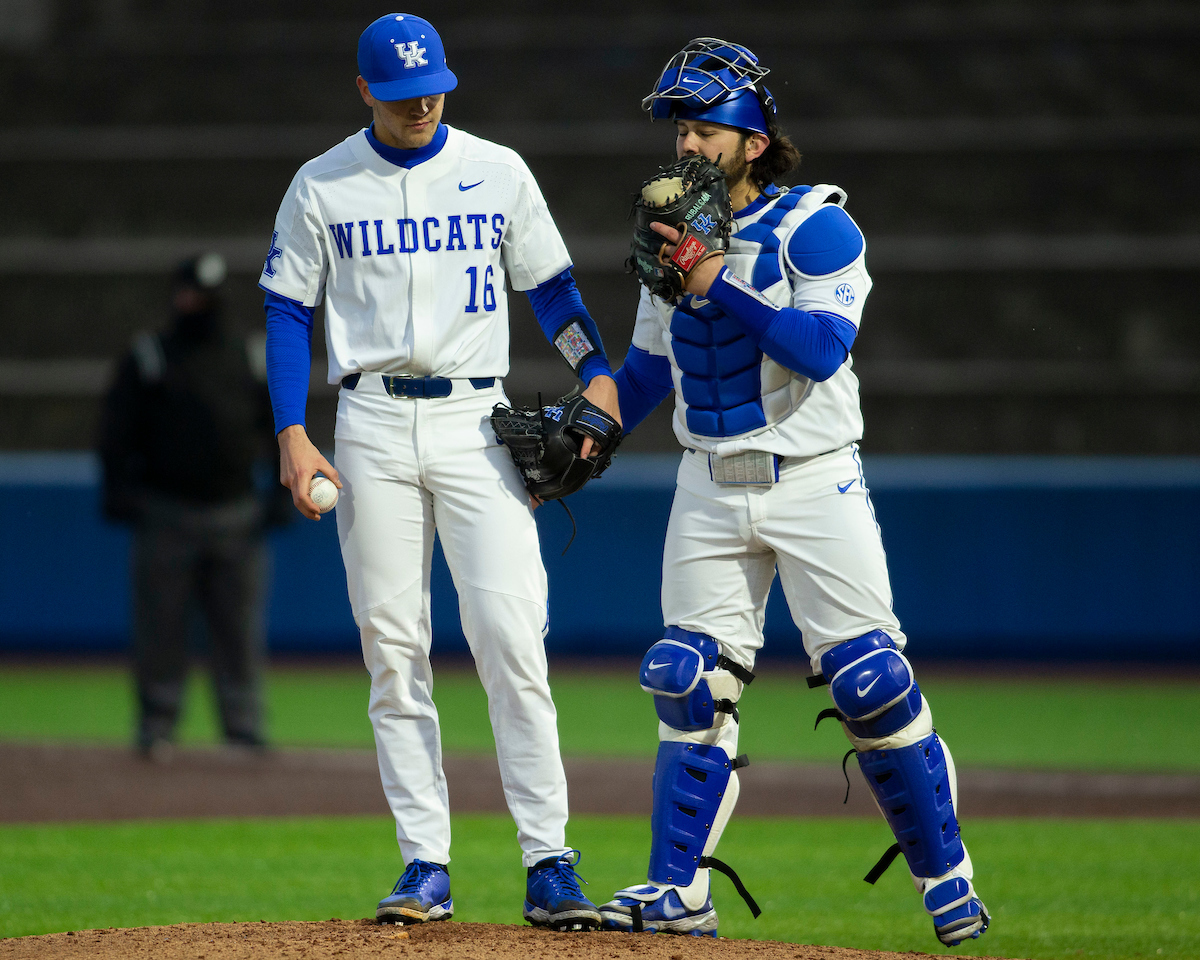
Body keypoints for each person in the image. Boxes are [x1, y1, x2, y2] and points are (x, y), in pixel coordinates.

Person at [598, 39, 990, 947]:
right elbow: (651, 366)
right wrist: (593, 424)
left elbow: (818, 350)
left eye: (707, 129)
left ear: (756, 141)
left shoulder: (817, 227)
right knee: (685, 682)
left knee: (871, 684)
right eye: (682, 129)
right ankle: (676, 892)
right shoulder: (668, 230)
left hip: (813, 479)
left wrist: (711, 281)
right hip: (706, 480)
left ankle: (947, 878)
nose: (689, 146)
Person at [258, 13, 619, 931]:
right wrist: (293, 432)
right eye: (402, 92)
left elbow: (552, 289)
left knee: (510, 637)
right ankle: (425, 861)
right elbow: (288, 311)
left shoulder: (497, 170)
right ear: (364, 91)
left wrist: (596, 371)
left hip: (475, 422)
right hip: (372, 422)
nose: (422, 104)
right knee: (393, 646)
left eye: (433, 88)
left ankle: (550, 860)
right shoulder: (322, 183)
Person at [99, 253, 287, 761]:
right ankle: (157, 725)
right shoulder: (149, 355)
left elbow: (278, 427)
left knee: (239, 628)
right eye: (188, 293)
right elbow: (117, 431)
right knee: (160, 626)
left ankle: (243, 727)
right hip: (166, 511)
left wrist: (280, 492)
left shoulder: (248, 355)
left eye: (203, 296)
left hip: (237, 513)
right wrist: (117, 489)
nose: (194, 304)